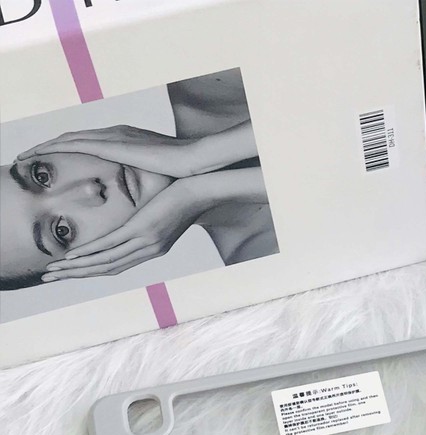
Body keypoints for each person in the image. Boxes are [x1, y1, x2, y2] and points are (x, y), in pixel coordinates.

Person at [0, 69, 276, 291]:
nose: (88, 190)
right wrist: (200, 189)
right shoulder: (263, 263)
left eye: (42, 176)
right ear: (89, 264)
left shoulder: (209, 76)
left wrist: (197, 156)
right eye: (62, 230)